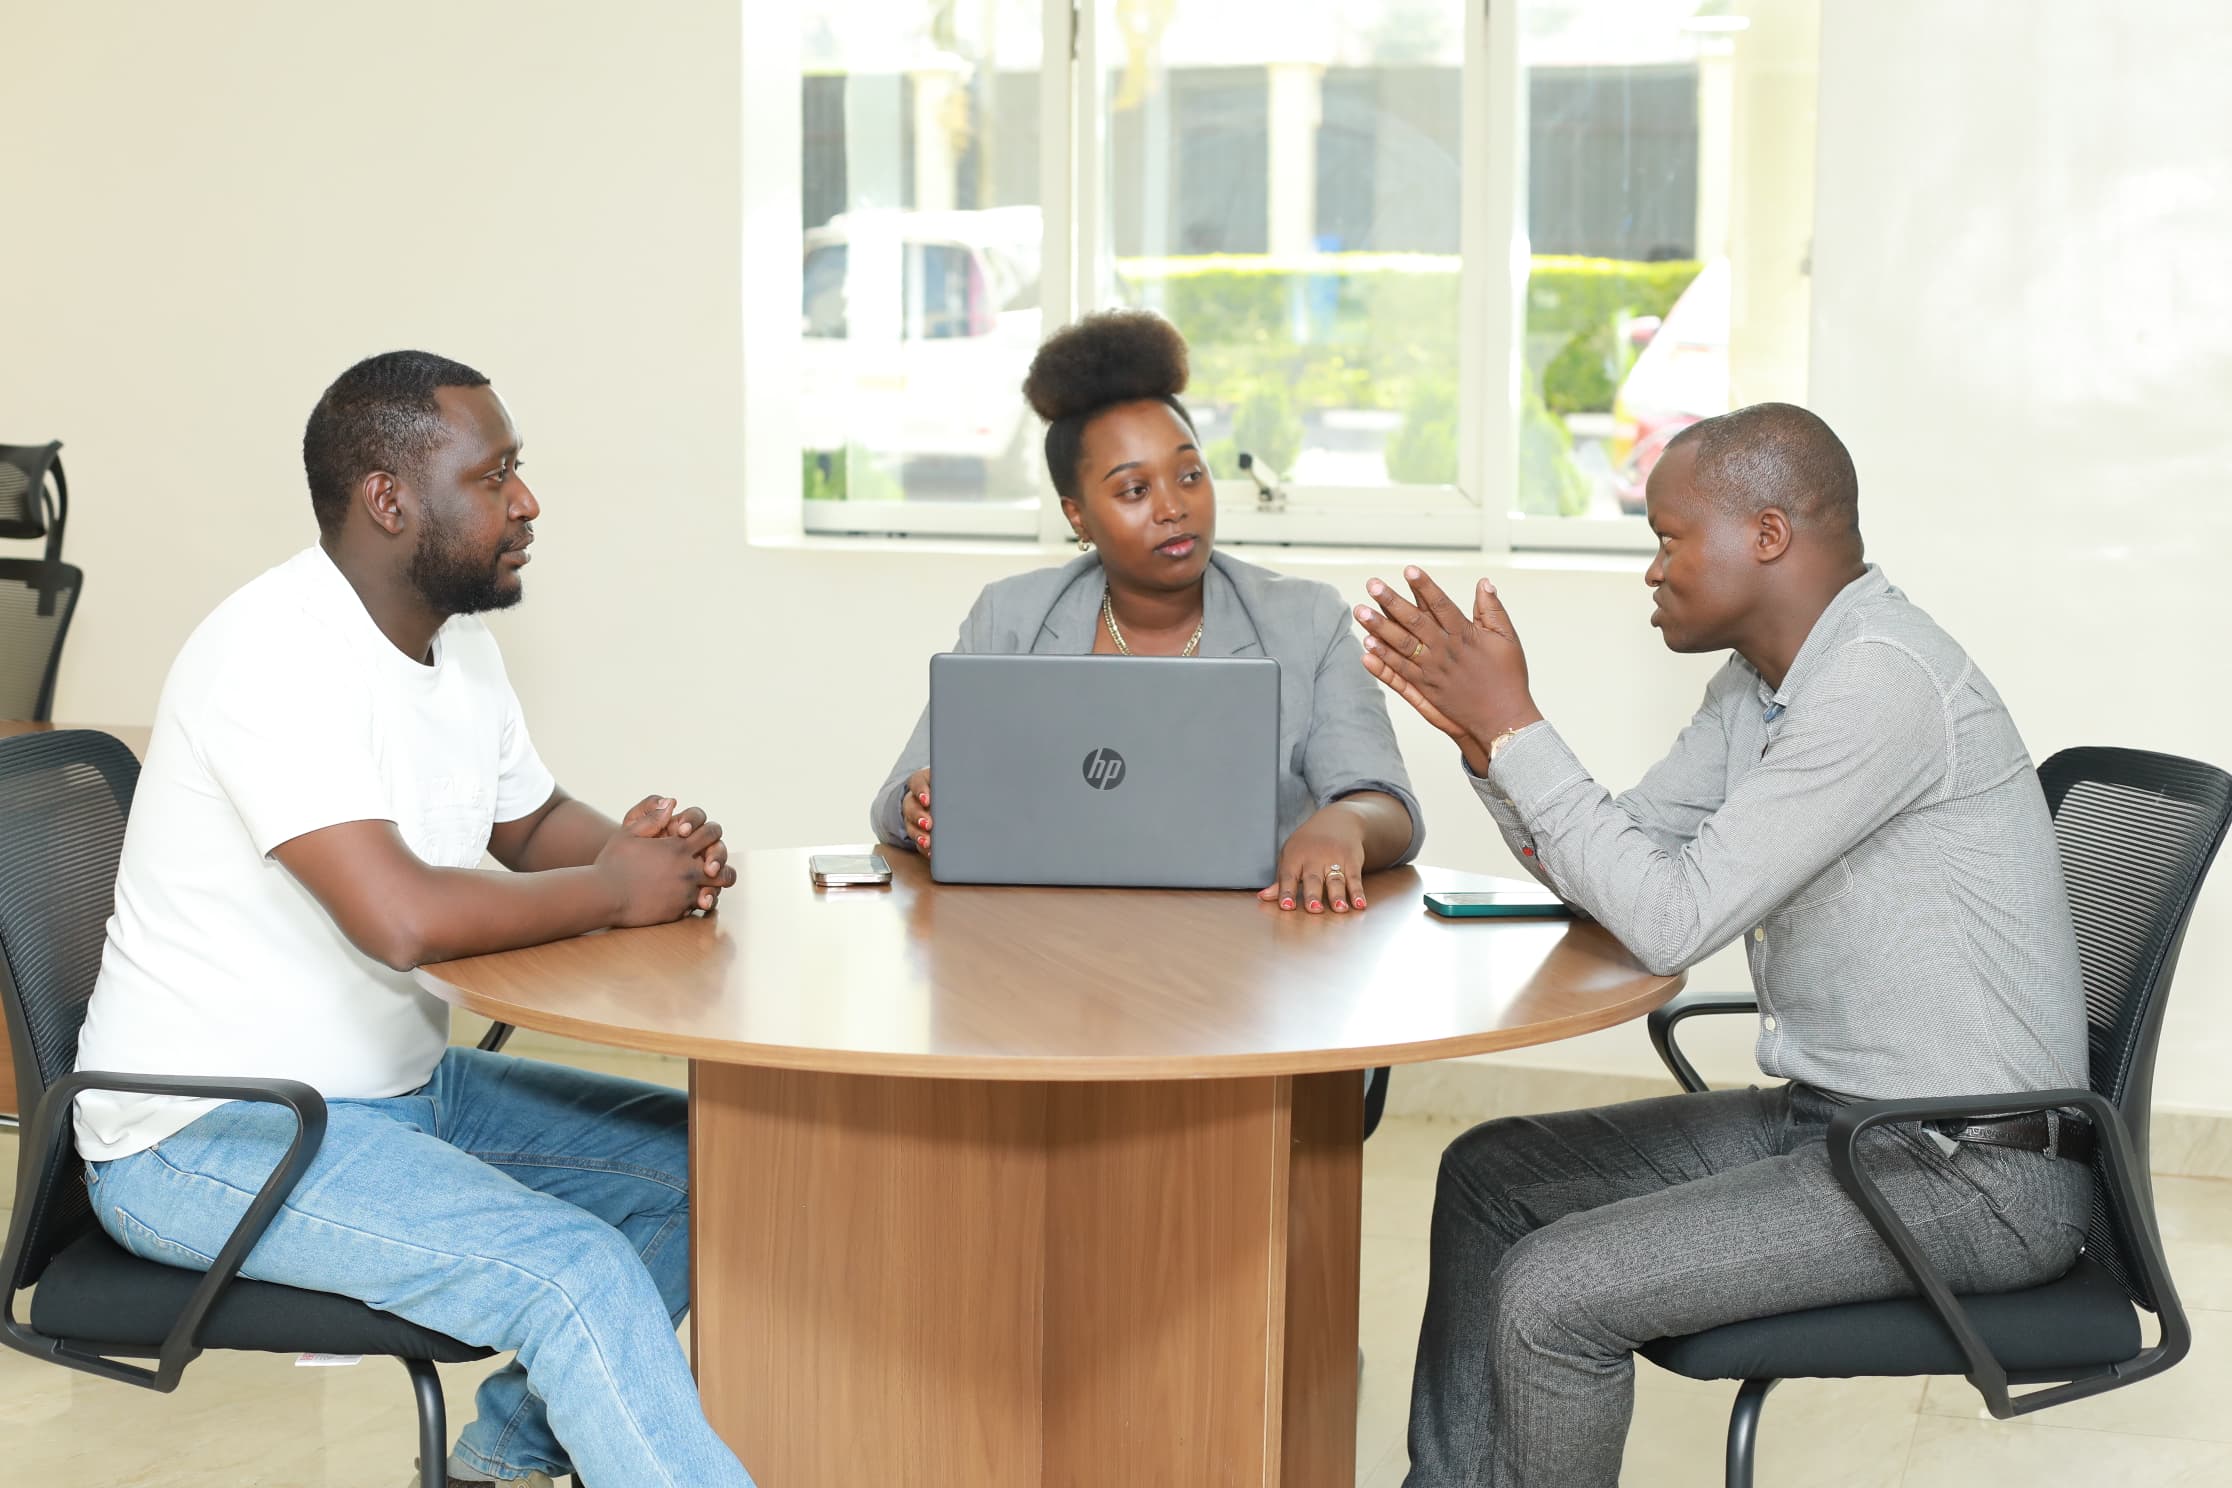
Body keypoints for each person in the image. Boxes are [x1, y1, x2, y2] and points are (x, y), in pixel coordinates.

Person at [1355, 403, 2091, 1487]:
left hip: (1969, 1175)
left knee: (1554, 1294)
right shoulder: (1762, 687)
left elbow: (1671, 920)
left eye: (1667, 537)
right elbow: (1630, 856)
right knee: (1488, 1175)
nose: (1651, 570)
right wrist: (1490, 745)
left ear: (1768, 534)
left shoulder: (1879, 683)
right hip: (1841, 1126)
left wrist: (1521, 730)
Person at [71, 351, 754, 1488]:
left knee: (720, 1165)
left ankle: (505, 1461)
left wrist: (651, 857)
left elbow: (532, 826)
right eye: (495, 477)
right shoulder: (273, 651)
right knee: (570, 1269)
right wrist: (617, 889)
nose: (527, 502)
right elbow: (399, 918)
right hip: (205, 1136)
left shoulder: (455, 641)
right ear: (389, 499)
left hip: (393, 1099)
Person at [871, 308, 1425, 923]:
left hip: (1250, 951)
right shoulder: (1012, 614)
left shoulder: (1307, 619)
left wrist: (1345, 821)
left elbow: (1389, 806)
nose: (1173, 507)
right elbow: (896, 800)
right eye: (1134, 490)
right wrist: (917, 803)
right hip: (1043, 943)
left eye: (1190, 475)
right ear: (1077, 516)